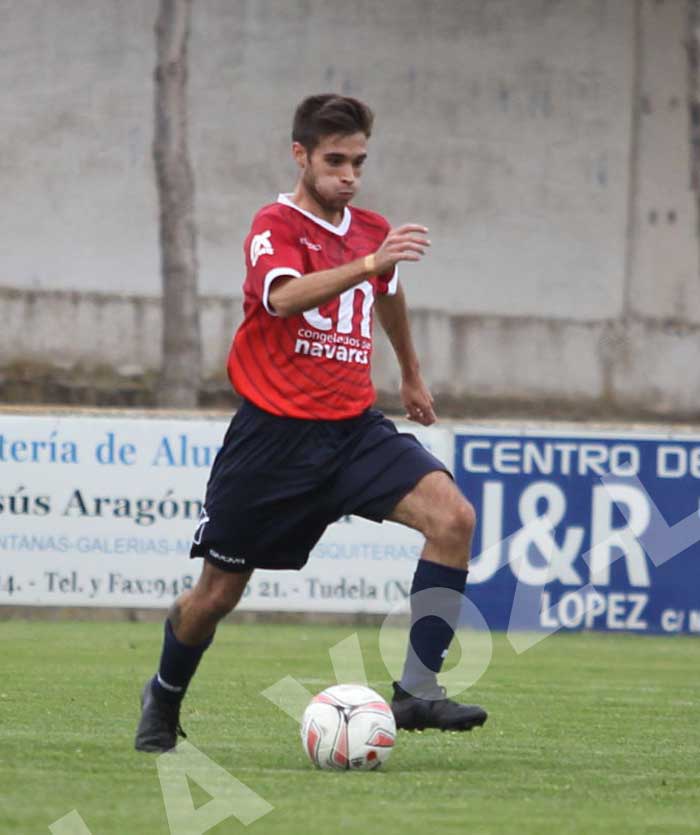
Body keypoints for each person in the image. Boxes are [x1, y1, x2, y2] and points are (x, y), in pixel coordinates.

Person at [135, 94, 487, 752]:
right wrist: (370, 263)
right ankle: (164, 692)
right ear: (300, 155)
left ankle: (416, 691)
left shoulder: (371, 230)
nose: (349, 175)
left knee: (454, 519)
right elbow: (283, 297)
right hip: (273, 440)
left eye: (359, 162)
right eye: (335, 161)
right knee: (215, 595)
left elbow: (389, 292)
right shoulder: (274, 224)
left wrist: (410, 372)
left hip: (353, 431)